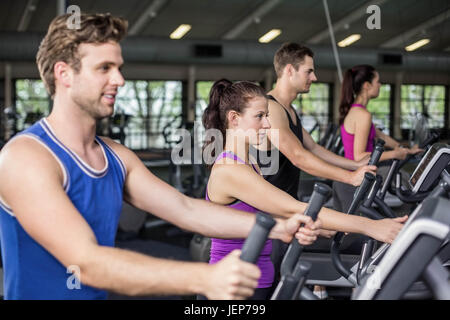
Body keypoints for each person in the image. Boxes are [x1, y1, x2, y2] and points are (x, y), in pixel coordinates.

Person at [0, 13, 318, 300]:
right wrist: (205, 277)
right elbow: (87, 262)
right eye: (104, 68)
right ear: (64, 74)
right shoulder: (26, 157)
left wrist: (277, 226)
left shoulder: (116, 155)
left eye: (119, 68)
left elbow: (186, 209)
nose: (119, 80)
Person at [201, 79, 407, 299]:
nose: (268, 125)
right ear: (234, 118)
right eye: (259, 116)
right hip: (233, 287)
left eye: (267, 116)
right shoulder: (230, 169)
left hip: (255, 278)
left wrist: (317, 225)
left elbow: (270, 210)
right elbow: (294, 207)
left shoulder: (249, 161)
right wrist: (371, 227)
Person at [334, 65, 423, 212]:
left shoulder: (357, 110)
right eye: (378, 81)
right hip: (356, 174)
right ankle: (407, 221)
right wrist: (395, 154)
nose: (380, 85)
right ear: (367, 85)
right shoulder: (362, 115)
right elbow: (359, 156)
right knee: (410, 181)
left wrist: (405, 149)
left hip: (351, 173)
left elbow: (381, 136)